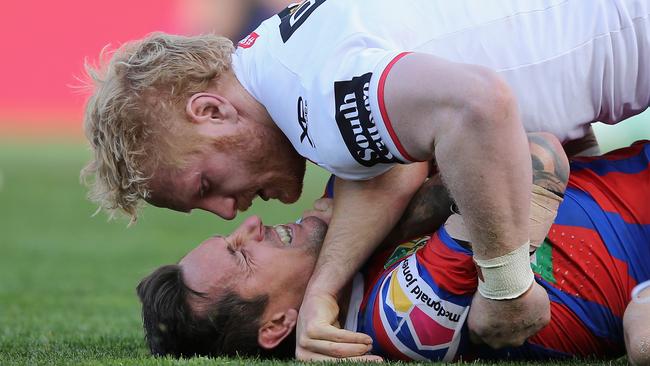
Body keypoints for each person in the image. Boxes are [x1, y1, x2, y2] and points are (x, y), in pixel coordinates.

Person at [83, 0, 650, 358]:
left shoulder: (316, 108)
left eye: (205, 186)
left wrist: (506, 288)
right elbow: (405, 162)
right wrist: (325, 289)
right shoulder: (283, 53)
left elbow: (482, 107)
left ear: (211, 112)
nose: (233, 213)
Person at [136, 136, 650, 364]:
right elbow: (527, 156)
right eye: (241, 255)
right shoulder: (396, 318)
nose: (251, 226)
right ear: (277, 326)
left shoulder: (351, 229)